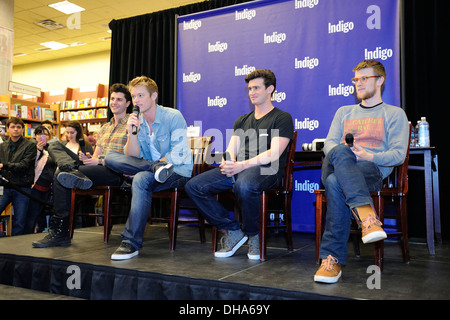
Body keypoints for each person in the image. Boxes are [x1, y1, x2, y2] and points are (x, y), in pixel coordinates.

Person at [313, 60, 409, 284]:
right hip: (337, 163)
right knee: (340, 152)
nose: (358, 83)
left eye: (364, 78)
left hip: (370, 171)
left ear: (380, 80)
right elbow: (328, 145)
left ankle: (331, 260)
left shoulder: (394, 114)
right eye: (356, 79)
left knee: (336, 182)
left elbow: (398, 155)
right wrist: (346, 153)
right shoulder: (344, 112)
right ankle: (367, 217)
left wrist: (368, 156)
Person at [185, 69, 294, 260]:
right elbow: (230, 151)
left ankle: (253, 234)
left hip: (267, 170)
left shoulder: (282, 117)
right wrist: (228, 164)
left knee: (245, 184)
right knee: (194, 185)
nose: (252, 92)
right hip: (239, 169)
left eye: (257, 88)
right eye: (250, 88)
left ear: (270, 89)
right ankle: (233, 230)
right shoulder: (242, 120)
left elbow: (274, 153)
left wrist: (241, 165)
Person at [104, 76, 193, 260]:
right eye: (134, 96)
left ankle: (130, 242)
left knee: (140, 177)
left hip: (178, 170)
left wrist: (142, 168)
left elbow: (178, 154)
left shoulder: (173, 116)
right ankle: (156, 167)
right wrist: (132, 133)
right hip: (154, 170)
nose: (136, 100)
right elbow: (132, 155)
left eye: (141, 95)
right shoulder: (138, 121)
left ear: (154, 96)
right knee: (110, 157)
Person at [32, 84, 132, 248]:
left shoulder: (131, 125)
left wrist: (99, 161)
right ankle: (70, 169)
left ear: (127, 103)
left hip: (115, 171)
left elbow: (130, 157)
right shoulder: (105, 127)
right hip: (94, 168)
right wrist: (88, 158)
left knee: (60, 174)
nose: (114, 102)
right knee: (53, 144)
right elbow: (95, 154)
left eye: (119, 99)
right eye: (112, 98)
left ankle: (60, 232)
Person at [0, 117, 37, 235]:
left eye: (18, 127)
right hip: (4, 186)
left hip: (22, 187)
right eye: (12, 127)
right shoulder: (2, 146)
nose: (15, 129)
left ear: (22, 129)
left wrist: (4, 165)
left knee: (19, 221)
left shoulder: (30, 145)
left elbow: (24, 165)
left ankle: (15, 248)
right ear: (7, 129)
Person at [24, 125, 56, 234]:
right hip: (36, 186)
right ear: (35, 135)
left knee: (42, 213)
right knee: (33, 214)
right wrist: (39, 150)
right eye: (39, 133)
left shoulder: (51, 149)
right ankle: (26, 236)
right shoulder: (30, 147)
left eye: (45, 134)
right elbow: (29, 164)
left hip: (47, 186)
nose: (42, 136)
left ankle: (40, 233)